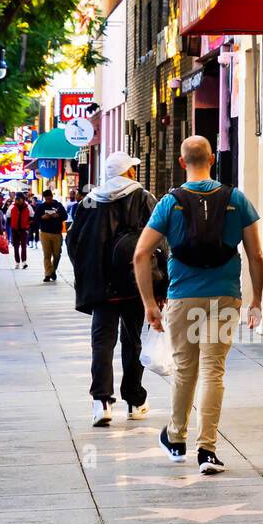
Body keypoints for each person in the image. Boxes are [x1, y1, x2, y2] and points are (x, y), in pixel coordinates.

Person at [133, 135, 263, 475]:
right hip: (224, 297)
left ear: (181, 162)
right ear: (212, 160)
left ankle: (176, 440)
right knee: (213, 371)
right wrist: (257, 300)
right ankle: (207, 451)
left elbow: (141, 253)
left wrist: (149, 304)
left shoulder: (170, 202)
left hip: (182, 297)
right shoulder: (236, 199)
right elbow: (256, 255)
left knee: (184, 369)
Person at [68, 151, 166, 426]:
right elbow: (160, 241)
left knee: (102, 342)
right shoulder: (144, 198)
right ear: (129, 172)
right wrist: (162, 283)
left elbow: (73, 243)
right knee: (132, 341)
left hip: (101, 287)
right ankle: (134, 400)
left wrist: (87, 273)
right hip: (136, 284)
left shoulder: (89, 201)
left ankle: (101, 402)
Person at [34, 188, 68, 282]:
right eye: (46, 199)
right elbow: (36, 218)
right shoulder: (41, 207)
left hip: (57, 233)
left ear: (52, 197)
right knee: (47, 255)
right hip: (45, 233)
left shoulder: (58, 205)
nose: (48, 200)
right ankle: (47, 274)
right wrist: (42, 217)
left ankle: (53, 270)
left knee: (57, 254)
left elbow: (65, 216)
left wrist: (58, 216)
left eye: (49, 198)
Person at [9, 192, 31, 268]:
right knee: (16, 246)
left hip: (24, 229)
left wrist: (28, 225)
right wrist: (12, 225)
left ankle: (24, 262)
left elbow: (32, 216)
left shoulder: (28, 207)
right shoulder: (12, 206)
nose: (18, 201)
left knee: (24, 246)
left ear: (23, 199)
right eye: (16, 199)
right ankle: (17, 262)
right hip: (14, 229)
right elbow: (8, 216)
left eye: (19, 199)